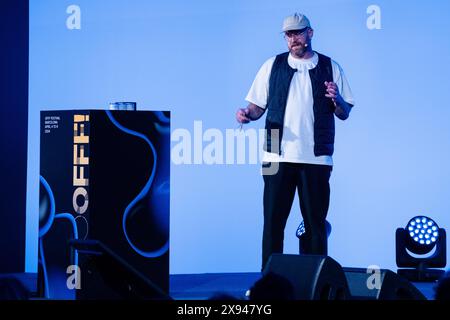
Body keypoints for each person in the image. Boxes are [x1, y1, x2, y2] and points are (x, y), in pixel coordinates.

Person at [236, 13, 355, 270]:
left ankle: (316, 284)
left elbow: (344, 113)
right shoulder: (272, 65)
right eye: (288, 35)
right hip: (275, 157)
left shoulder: (330, 66)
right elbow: (257, 107)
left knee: (315, 225)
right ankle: (269, 282)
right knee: (273, 224)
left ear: (310, 33)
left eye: (298, 33)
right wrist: (246, 114)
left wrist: (338, 100)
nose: (293, 39)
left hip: (317, 157)